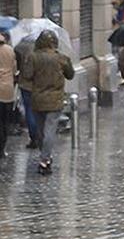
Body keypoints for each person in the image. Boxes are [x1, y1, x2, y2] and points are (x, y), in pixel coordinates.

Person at [22, 30, 74, 174]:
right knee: (50, 129)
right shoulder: (61, 58)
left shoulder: (33, 57)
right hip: (55, 99)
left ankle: (45, 156)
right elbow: (71, 74)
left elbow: (27, 75)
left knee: (40, 131)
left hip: (37, 98)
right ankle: (45, 159)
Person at [14, 39, 38, 149]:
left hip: (25, 85)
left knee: (29, 110)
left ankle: (34, 137)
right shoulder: (39, 50)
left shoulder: (19, 47)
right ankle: (39, 136)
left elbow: (18, 67)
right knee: (37, 110)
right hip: (37, 85)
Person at [0, 32, 15, 158]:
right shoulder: (10, 50)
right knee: (5, 121)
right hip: (8, 90)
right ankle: (2, 148)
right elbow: (14, 69)